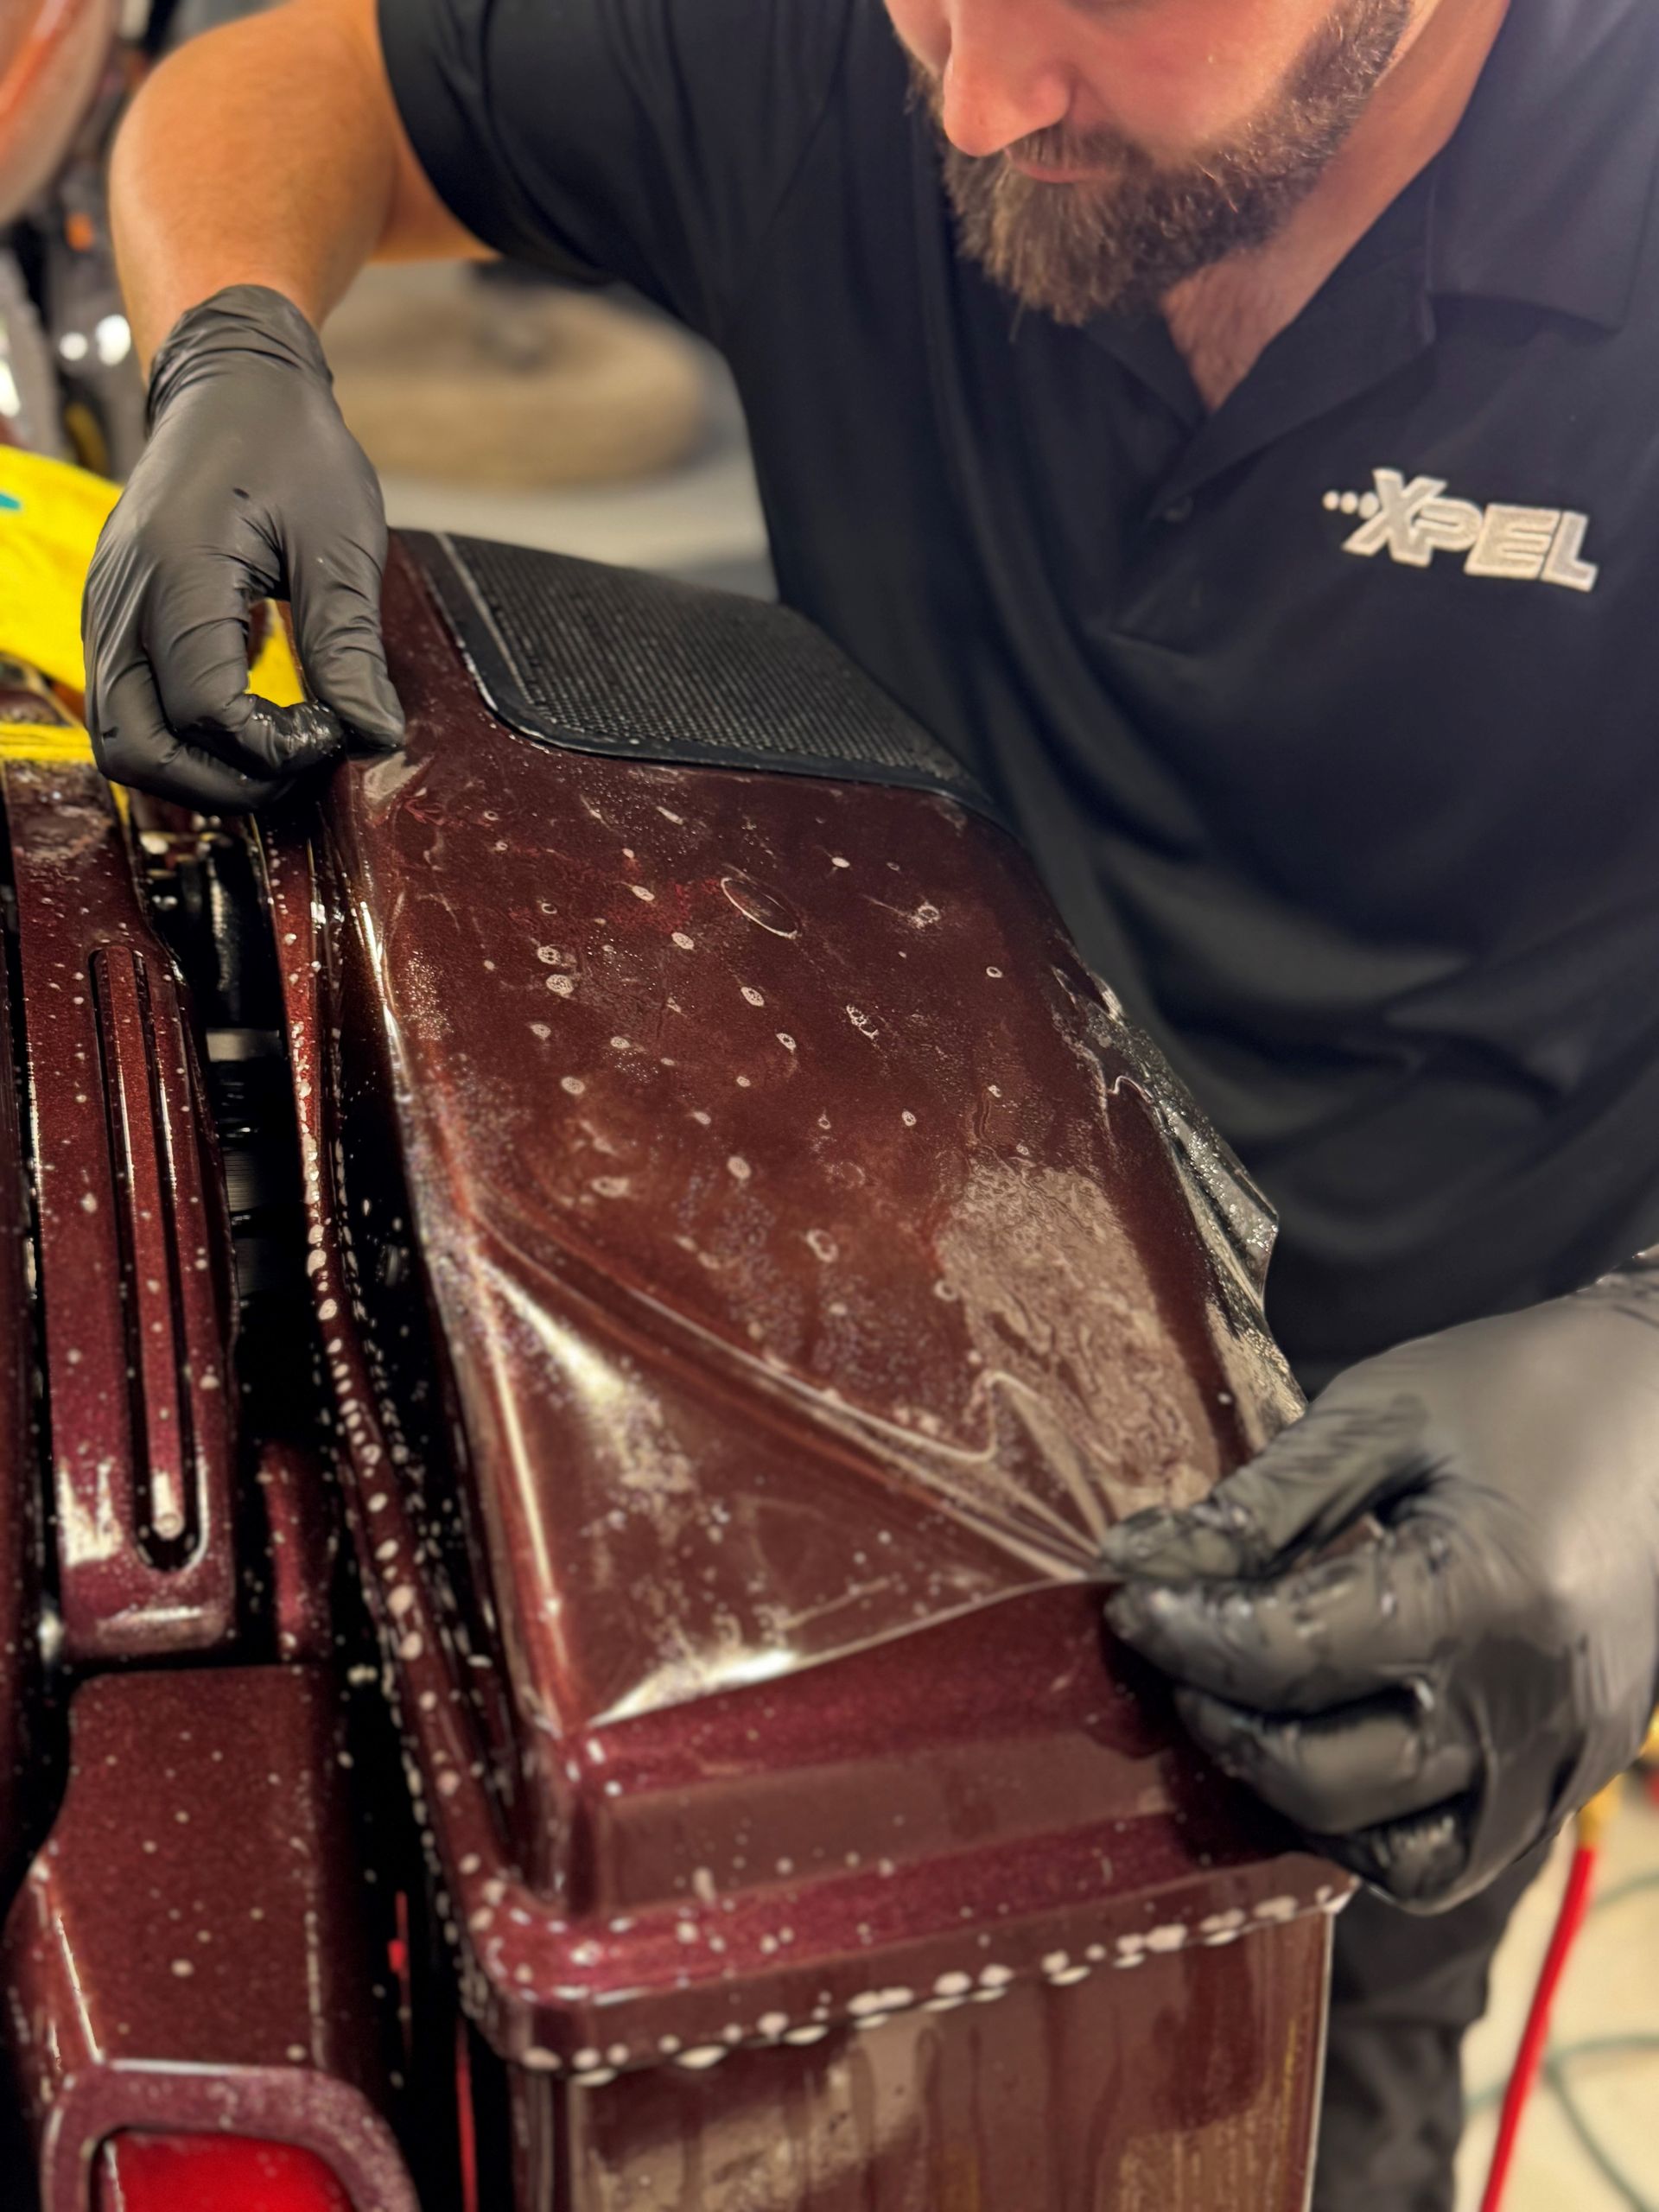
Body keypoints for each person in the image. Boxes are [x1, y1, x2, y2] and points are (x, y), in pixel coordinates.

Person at [85, 0, 1659, 2202]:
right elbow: (270, 80)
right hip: (844, 1487)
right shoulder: (836, 55)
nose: (981, 102)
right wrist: (228, 352)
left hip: (1381, 1599)